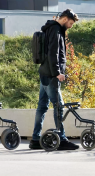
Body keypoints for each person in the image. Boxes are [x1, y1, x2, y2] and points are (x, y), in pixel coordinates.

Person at [29, 9, 79, 150]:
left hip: (44, 73)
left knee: (42, 107)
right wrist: (58, 72)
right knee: (59, 106)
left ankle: (35, 139)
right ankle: (62, 140)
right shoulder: (56, 30)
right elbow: (53, 53)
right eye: (70, 23)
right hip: (51, 76)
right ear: (64, 19)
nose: (70, 26)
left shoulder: (49, 28)